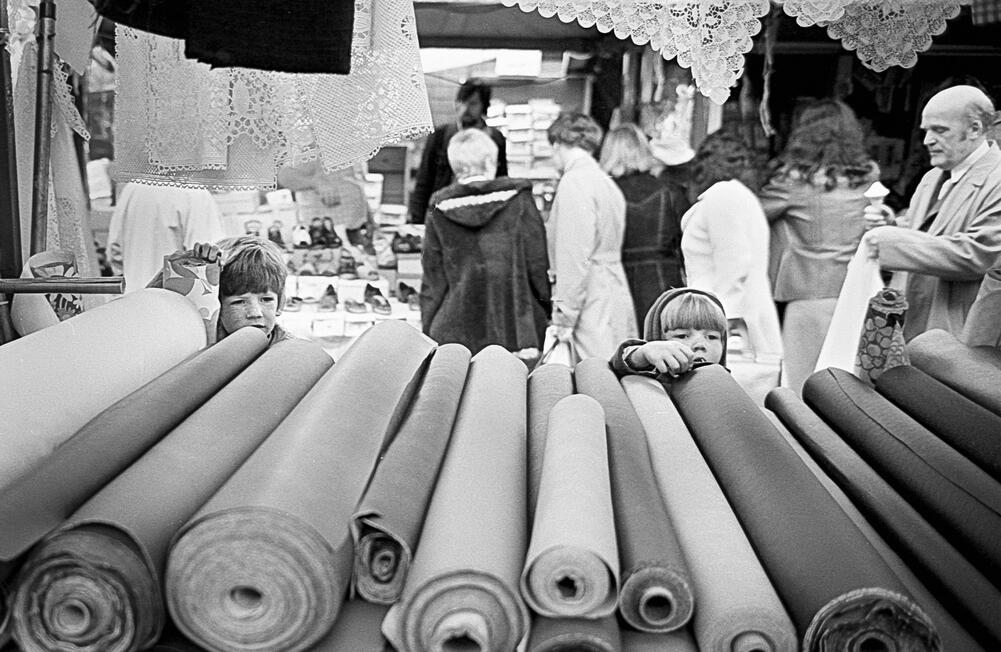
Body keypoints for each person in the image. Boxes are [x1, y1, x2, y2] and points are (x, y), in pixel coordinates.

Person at [758, 99, 880, 394]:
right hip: (855, 292)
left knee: (801, 389)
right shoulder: (867, 177)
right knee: (847, 388)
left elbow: (751, 214)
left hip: (808, 293)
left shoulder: (795, 181)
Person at [863, 85, 1001, 341]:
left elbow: (980, 254)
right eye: (926, 131)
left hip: (962, 337)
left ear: (975, 129)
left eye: (940, 130)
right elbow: (930, 233)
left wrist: (890, 241)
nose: (927, 141)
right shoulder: (932, 177)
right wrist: (893, 224)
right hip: (912, 327)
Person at [419, 129, 551, 356]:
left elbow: (433, 277)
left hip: (454, 329)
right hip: (515, 325)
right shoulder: (519, 199)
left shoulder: (439, 207)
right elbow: (537, 263)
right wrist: (545, 307)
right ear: (491, 161)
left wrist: (428, 325)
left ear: (454, 166)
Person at [680, 130, 783, 360]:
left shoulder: (722, 196)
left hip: (723, 315)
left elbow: (734, 262)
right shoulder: (739, 195)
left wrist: (724, 321)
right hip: (739, 310)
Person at [546, 112, 637, 360]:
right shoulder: (606, 182)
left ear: (556, 144)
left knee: (592, 377)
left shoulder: (574, 182)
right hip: (615, 288)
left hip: (589, 298)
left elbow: (573, 256)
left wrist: (564, 315)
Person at [599, 124, 689, 328]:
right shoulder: (670, 191)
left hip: (617, 282)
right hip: (663, 279)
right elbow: (685, 243)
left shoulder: (603, 193)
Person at [151, 235, 294, 347]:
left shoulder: (290, 352)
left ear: (280, 304)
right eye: (239, 302)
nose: (255, 313)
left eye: (267, 299)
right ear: (217, 308)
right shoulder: (203, 343)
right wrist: (188, 267)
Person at [409, 79, 508, 224]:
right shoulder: (441, 136)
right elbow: (424, 180)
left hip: (482, 216)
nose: (465, 108)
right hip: (443, 213)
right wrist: (417, 222)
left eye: (473, 103)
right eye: (462, 101)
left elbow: (502, 182)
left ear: (483, 107)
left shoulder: (494, 139)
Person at [108, 182, 225, 294]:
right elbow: (208, 265)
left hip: (134, 300)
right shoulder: (195, 193)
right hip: (174, 306)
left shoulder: (132, 189)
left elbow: (115, 254)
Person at [610, 288, 728, 379]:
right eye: (682, 336)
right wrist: (641, 354)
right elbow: (620, 366)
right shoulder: (655, 378)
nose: (700, 345)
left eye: (712, 337)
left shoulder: (727, 383)